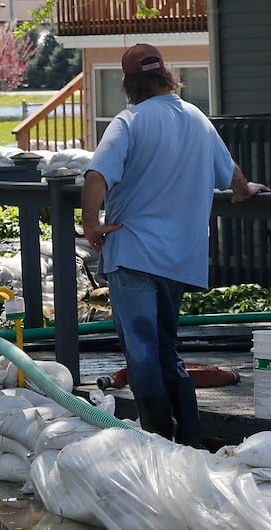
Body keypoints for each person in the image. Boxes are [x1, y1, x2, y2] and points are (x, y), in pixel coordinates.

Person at [81, 43, 270, 447]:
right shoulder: (198, 119)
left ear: (129, 83)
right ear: (166, 76)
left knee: (143, 352)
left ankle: (158, 438)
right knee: (168, 349)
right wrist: (245, 188)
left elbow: (96, 175)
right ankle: (190, 438)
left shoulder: (128, 121)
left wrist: (90, 223)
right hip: (180, 258)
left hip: (132, 253)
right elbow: (231, 173)